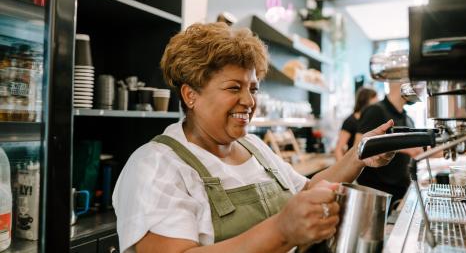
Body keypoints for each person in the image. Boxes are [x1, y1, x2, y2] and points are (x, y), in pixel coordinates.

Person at [112, 22, 397, 253]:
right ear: (191, 95)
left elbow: (306, 191)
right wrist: (281, 231)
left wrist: (359, 153)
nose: (248, 101)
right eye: (234, 88)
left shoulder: (254, 147)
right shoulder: (155, 167)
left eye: (254, 88)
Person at [355, 82, 419, 203]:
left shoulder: (408, 119)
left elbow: (417, 150)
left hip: (401, 191)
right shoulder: (375, 111)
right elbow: (357, 148)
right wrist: (404, 147)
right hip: (377, 193)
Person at [334, 87, 378, 161]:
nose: (377, 103)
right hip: (354, 163)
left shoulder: (371, 120)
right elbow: (339, 149)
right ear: (366, 101)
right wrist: (344, 170)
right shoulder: (350, 121)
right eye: (375, 99)